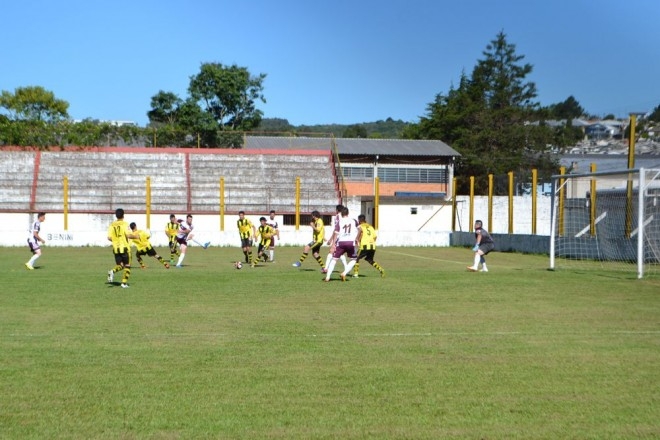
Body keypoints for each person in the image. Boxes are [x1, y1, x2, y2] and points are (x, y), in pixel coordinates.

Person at [324, 207, 360, 282]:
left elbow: (336, 233)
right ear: (348, 213)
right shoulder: (354, 221)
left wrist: (333, 244)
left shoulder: (339, 221)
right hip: (351, 242)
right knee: (354, 260)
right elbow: (360, 229)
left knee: (334, 259)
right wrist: (357, 238)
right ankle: (344, 273)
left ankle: (327, 277)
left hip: (341, 242)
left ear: (341, 214)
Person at [107, 208, 139, 288]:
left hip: (115, 248)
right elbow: (128, 235)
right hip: (124, 247)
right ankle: (123, 283)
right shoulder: (125, 224)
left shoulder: (112, 225)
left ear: (116, 216)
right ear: (123, 215)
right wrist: (136, 236)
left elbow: (109, 237)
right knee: (127, 265)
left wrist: (116, 241)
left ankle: (112, 271)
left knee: (120, 265)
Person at [324, 204, 348, 273]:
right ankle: (346, 268)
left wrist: (331, 239)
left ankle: (326, 268)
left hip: (338, 236)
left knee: (332, 251)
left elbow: (336, 229)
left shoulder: (337, 216)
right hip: (345, 236)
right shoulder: (345, 216)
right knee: (339, 253)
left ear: (337, 210)